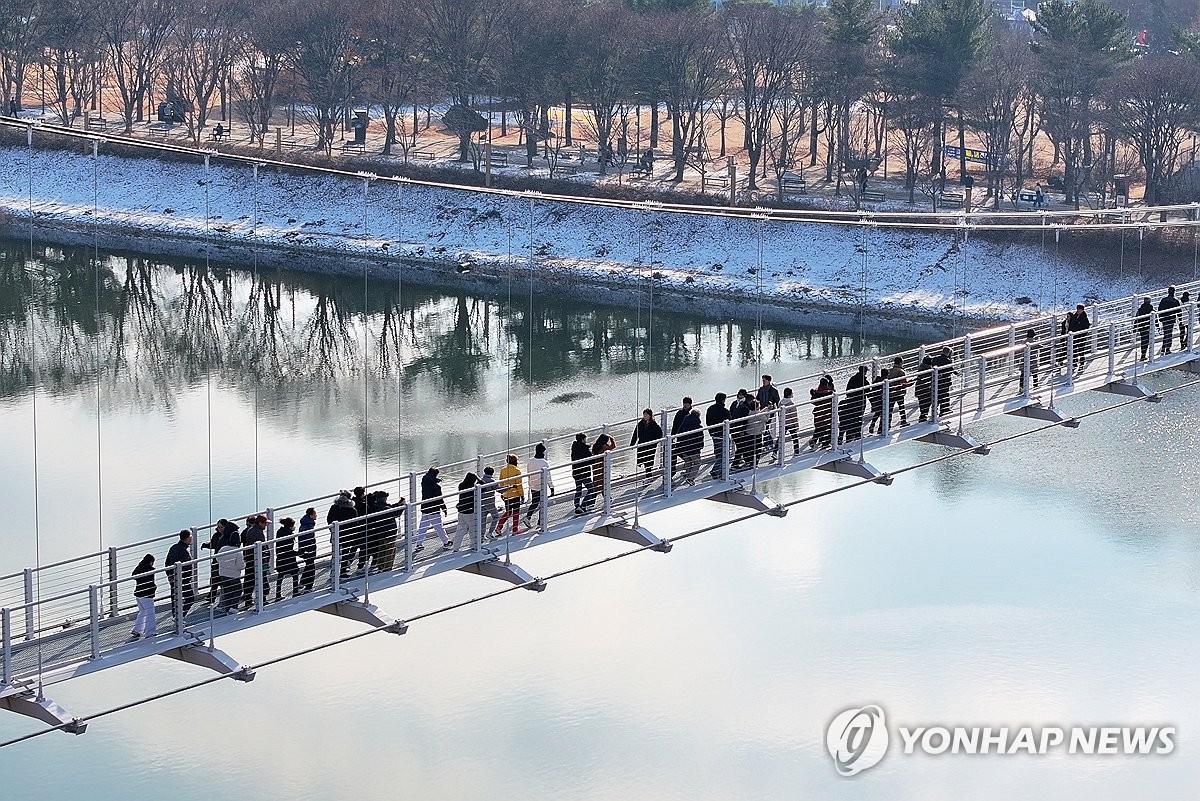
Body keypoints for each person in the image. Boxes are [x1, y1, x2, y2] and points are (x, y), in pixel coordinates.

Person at [417, 467, 452, 551]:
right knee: (439, 527)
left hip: (425, 508)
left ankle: (419, 544)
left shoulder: (424, 481)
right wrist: (444, 508)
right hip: (433, 509)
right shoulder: (437, 488)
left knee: (423, 527)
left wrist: (435, 480)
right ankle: (446, 542)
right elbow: (439, 499)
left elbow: (428, 480)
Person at [367, 490, 403, 571]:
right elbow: (395, 513)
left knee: (382, 549)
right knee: (390, 550)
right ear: (384, 498)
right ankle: (387, 568)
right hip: (389, 532)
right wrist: (402, 507)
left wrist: (398, 504)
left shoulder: (375, 506)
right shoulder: (385, 508)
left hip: (381, 532)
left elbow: (390, 509)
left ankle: (381, 566)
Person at [327, 490, 358, 578]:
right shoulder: (352, 509)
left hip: (335, 533)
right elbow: (355, 523)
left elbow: (329, 519)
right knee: (345, 553)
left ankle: (333, 573)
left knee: (335, 554)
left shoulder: (334, 507)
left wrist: (332, 530)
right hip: (347, 535)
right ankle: (343, 572)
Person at [523, 444, 555, 529]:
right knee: (543, 503)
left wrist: (530, 484)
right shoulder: (544, 463)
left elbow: (528, 474)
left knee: (535, 502)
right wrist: (551, 487)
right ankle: (540, 522)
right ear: (543, 452)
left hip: (533, 485)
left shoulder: (530, 461)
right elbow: (548, 477)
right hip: (542, 486)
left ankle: (528, 517)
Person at [165, 529, 195, 618]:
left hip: (173, 578)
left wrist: (170, 575)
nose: (192, 539)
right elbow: (186, 566)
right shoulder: (184, 551)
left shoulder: (173, 547)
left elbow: (167, 562)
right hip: (183, 580)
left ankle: (176, 617)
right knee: (190, 598)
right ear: (187, 538)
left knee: (175, 599)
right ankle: (180, 617)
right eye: (191, 537)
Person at [214, 524, 243, 613]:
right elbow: (240, 566)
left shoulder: (223, 548)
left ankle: (227, 608)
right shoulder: (238, 552)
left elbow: (217, 558)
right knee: (238, 590)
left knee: (227, 591)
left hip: (223, 573)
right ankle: (233, 607)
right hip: (233, 575)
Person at [240, 514, 267, 607]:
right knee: (263, 578)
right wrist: (267, 557)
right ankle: (262, 600)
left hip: (250, 558)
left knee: (249, 579)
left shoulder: (249, 530)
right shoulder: (258, 532)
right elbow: (263, 547)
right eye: (265, 524)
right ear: (260, 523)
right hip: (259, 560)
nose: (266, 526)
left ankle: (248, 599)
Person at [630, 408, 664, 481]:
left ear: (650, 415)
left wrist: (654, 443)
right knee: (644, 460)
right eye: (644, 415)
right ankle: (648, 476)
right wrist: (632, 443)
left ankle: (648, 477)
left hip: (650, 446)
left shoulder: (654, 425)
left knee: (649, 460)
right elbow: (636, 433)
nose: (645, 416)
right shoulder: (641, 423)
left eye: (646, 415)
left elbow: (659, 435)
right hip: (642, 445)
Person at [496, 454, 524, 536]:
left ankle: (499, 527)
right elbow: (519, 484)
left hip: (506, 494)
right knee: (516, 512)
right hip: (515, 494)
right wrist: (521, 495)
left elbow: (501, 483)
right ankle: (515, 529)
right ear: (515, 462)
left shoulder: (503, 470)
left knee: (508, 512)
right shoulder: (517, 471)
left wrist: (502, 493)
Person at [272, 517, 300, 601]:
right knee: (295, 574)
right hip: (289, 559)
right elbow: (289, 550)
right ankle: (295, 591)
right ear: (290, 526)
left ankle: (278, 594)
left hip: (280, 558)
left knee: (280, 575)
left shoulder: (279, 532)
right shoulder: (289, 535)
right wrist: (298, 553)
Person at [130, 554, 157, 639]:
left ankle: (137, 630)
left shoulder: (139, 568)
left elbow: (134, 575)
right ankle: (150, 632)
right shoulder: (149, 570)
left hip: (139, 594)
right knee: (150, 613)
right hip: (147, 595)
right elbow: (150, 583)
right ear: (151, 562)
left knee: (142, 612)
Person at [839, 366, 868, 443]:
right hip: (860, 402)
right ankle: (856, 435)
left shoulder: (852, 379)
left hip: (850, 401)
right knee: (858, 418)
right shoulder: (864, 381)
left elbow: (847, 390)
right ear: (865, 372)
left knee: (849, 419)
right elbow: (868, 392)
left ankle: (844, 437)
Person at [706, 392, 731, 478]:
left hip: (713, 434)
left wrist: (711, 432)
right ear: (723, 400)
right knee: (725, 453)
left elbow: (707, 421)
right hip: (722, 435)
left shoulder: (710, 409)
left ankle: (720, 471)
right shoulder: (725, 411)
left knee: (718, 452)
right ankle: (716, 470)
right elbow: (729, 422)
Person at [677, 407, 704, 484]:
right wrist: (701, 446)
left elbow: (679, 433)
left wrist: (680, 444)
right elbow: (700, 438)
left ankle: (687, 473)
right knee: (697, 463)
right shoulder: (698, 427)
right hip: (694, 449)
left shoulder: (684, 423)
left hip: (684, 447)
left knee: (688, 461)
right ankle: (690, 478)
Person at [571, 434, 595, 515]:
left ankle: (577, 506)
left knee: (578, 490)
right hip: (584, 473)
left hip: (576, 472)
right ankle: (583, 506)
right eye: (585, 439)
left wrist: (589, 445)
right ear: (582, 440)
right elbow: (591, 461)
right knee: (591, 489)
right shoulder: (585, 449)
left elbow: (582, 447)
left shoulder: (574, 447)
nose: (586, 440)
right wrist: (592, 454)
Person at [454, 473, 479, 549]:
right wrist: (478, 479)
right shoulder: (473, 488)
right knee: (473, 530)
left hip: (461, 510)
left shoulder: (461, 485)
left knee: (460, 530)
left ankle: (455, 547)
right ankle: (474, 546)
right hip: (470, 512)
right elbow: (483, 487)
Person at [670, 397, 694, 474]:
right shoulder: (679, 413)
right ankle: (686, 465)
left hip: (689, 437)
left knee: (687, 452)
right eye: (684, 403)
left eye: (687, 403)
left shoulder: (693, 413)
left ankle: (688, 468)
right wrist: (672, 436)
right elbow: (675, 425)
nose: (685, 405)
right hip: (680, 437)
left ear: (690, 404)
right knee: (677, 451)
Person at [931, 347, 957, 417]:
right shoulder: (948, 361)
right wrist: (957, 373)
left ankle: (934, 410)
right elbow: (951, 369)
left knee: (937, 395)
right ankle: (944, 410)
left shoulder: (935, 358)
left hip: (936, 381)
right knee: (945, 395)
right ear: (948, 353)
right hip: (945, 381)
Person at [809, 375, 834, 448]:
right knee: (828, 429)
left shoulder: (816, 391)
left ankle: (814, 440)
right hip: (827, 413)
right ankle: (825, 444)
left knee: (819, 428)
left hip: (818, 413)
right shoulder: (829, 393)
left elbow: (813, 402)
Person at [729, 389, 751, 468]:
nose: (740, 396)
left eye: (742, 395)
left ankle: (747, 460)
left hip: (740, 428)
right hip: (736, 428)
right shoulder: (735, 404)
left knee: (741, 445)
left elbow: (746, 419)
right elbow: (730, 414)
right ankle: (735, 463)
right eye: (739, 395)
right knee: (741, 446)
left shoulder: (745, 405)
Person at [297, 507, 318, 593]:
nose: (316, 515)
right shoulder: (309, 525)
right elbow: (308, 539)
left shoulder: (305, 524)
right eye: (315, 514)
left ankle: (302, 582)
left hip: (305, 549)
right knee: (311, 567)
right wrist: (311, 550)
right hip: (309, 550)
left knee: (309, 565)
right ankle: (308, 586)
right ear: (311, 515)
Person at [590, 434, 616, 500]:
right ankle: (608, 499)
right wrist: (611, 438)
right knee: (603, 483)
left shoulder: (595, 445)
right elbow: (613, 446)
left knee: (597, 482)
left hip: (595, 465)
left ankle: (607, 499)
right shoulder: (604, 447)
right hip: (602, 466)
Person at [1158, 286, 1181, 356]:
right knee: (1169, 333)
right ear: (1174, 292)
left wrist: (1160, 318)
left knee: (1166, 333)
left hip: (1164, 319)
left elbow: (1159, 309)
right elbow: (1178, 311)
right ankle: (1167, 349)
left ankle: (1163, 348)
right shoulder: (1175, 301)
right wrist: (1180, 320)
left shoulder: (1163, 300)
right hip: (1171, 319)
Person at [479, 466, 503, 533]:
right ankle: (490, 533)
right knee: (496, 517)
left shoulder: (480, 480)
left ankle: (481, 536)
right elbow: (500, 490)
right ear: (492, 473)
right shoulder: (492, 481)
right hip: (489, 503)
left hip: (481, 503)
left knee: (483, 520)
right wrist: (509, 487)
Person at [779, 387, 801, 457]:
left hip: (783, 423)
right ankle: (797, 451)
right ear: (789, 394)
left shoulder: (780, 402)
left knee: (780, 437)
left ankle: (775, 451)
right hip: (791, 423)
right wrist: (797, 425)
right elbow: (794, 416)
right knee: (795, 438)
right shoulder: (791, 404)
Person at [1067, 304, 1091, 368]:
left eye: (1079, 309)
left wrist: (1082, 334)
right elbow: (1071, 325)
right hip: (1074, 336)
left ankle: (1081, 363)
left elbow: (1086, 327)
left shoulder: (1085, 318)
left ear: (1082, 310)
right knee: (1074, 350)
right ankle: (1074, 363)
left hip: (1081, 337)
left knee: (1081, 350)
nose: (1078, 311)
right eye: (1077, 309)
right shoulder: (1074, 317)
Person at [888, 356, 909, 426]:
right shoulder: (901, 372)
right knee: (902, 407)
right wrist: (910, 384)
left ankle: (887, 424)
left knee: (889, 410)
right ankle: (903, 421)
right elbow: (903, 383)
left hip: (890, 393)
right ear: (900, 362)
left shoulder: (889, 371)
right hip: (899, 393)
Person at [866, 369, 888, 435]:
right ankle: (880, 429)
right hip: (882, 400)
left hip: (876, 400)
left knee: (877, 412)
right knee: (883, 413)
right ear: (887, 375)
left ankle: (872, 425)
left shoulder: (876, 380)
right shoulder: (885, 381)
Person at [915, 355, 934, 422]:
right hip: (926, 390)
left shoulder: (921, 368)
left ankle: (923, 415)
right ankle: (923, 415)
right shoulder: (929, 370)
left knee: (922, 403)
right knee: (928, 402)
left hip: (919, 389)